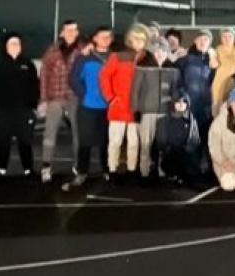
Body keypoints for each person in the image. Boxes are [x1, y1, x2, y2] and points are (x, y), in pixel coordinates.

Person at [63, 26, 114, 190]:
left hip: (109, 107)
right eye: (102, 36)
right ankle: (82, 172)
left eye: (108, 36)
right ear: (95, 39)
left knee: (106, 141)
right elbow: (73, 79)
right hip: (87, 106)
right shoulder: (85, 57)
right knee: (85, 141)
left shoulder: (115, 58)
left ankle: (107, 170)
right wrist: (84, 94)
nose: (105, 39)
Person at [100, 23, 147, 179]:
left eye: (141, 39)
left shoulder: (146, 59)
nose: (138, 42)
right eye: (135, 38)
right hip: (119, 107)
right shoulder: (118, 56)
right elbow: (104, 76)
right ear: (130, 39)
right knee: (115, 141)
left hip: (137, 108)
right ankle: (112, 170)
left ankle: (132, 170)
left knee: (134, 143)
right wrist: (111, 97)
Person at [0, 34, 39, 178]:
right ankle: (1, 170)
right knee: (3, 141)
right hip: (2, 111)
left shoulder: (28, 64)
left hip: (24, 110)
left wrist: (33, 106)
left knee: (25, 141)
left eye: (17, 43)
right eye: (11, 43)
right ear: (5, 46)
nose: (15, 46)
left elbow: (34, 86)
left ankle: (28, 170)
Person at [131, 37, 180, 180]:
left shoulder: (173, 70)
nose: (160, 54)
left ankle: (162, 170)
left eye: (163, 51)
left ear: (167, 52)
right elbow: (135, 91)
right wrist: (136, 111)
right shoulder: (143, 68)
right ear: (152, 52)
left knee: (163, 145)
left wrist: (175, 108)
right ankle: (144, 171)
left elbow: (175, 91)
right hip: (147, 112)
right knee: (145, 145)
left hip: (165, 113)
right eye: (157, 51)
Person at [38, 20, 80, 183]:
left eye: (74, 30)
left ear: (77, 32)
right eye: (68, 30)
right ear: (62, 32)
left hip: (75, 98)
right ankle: (46, 167)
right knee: (49, 133)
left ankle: (78, 165)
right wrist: (43, 99)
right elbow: (44, 75)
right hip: (55, 97)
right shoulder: (52, 51)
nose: (71, 33)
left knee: (78, 134)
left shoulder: (82, 51)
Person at [154, 91, 205, 187]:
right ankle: (173, 176)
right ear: (174, 103)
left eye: (184, 102)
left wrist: (188, 149)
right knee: (173, 158)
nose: (181, 104)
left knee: (191, 160)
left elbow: (195, 140)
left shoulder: (192, 120)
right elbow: (160, 143)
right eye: (178, 102)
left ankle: (187, 177)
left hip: (186, 155)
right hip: (170, 155)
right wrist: (170, 149)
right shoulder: (164, 121)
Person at [177, 30, 217, 132]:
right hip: (189, 105)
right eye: (200, 39)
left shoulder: (213, 61)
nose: (203, 42)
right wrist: (182, 98)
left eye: (206, 40)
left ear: (209, 43)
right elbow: (178, 81)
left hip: (206, 107)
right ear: (195, 41)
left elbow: (214, 82)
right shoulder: (184, 59)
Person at [211, 28, 235, 109]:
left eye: (230, 36)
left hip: (234, 89)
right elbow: (212, 64)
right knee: (218, 118)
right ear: (221, 39)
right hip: (218, 91)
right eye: (224, 36)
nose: (227, 39)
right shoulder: (216, 50)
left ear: (234, 38)